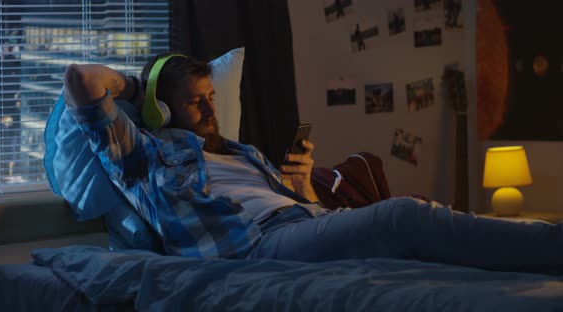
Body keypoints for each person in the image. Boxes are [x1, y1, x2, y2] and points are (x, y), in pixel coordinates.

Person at [61, 53, 563, 274]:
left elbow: (304, 214)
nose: (213, 111)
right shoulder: (146, 159)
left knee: (422, 225)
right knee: (404, 215)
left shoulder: (243, 153)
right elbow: (81, 79)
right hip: (256, 250)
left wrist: (300, 187)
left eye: (213, 95)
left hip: (304, 224)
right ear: (162, 110)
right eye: (196, 102)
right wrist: (139, 89)